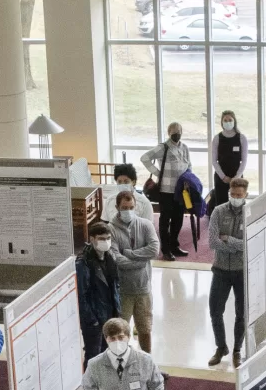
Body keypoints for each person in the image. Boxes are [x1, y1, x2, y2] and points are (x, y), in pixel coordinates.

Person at [81, 318, 166, 390]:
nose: (117, 342)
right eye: (112, 338)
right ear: (106, 339)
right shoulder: (94, 365)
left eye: (121, 337)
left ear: (128, 337)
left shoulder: (146, 361)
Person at [109, 189, 160, 354]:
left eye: (131, 207)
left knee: (145, 328)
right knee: (121, 332)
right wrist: (141, 261)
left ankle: (148, 361)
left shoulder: (145, 225)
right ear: (117, 207)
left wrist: (131, 254)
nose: (128, 211)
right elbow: (116, 259)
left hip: (143, 289)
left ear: (135, 206)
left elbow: (154, 250)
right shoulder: (111, 229)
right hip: (123, 291)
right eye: (124, 207)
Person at [207, 178, 249, 366]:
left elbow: (250, 244)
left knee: (241, 313)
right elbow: (213, 242)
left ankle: (237, 350)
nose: (235, 198)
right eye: (232, 195)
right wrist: (237, 245)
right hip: (221, 270)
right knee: (215, 310)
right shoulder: (218, 211)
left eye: (239, 195)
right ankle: (221, 346)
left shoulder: (251, 213)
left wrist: (229, 240)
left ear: (246, 195)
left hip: (242, 271)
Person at [140, 123, 192, 258]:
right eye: (174, 132)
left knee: (178, 219)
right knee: (165, 220)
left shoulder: (184, 147)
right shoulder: (163, 147)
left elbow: (189, 165)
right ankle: (166, 249)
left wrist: (189, 178)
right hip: (166, 190)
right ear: (169, 133)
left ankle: (175, 246)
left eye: (179, 131)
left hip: (180, 190)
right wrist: (158, 173)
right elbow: (144, 158)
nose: (177, 134)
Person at [75, 222, 123, 364]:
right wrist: (92, 320)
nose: (106, 242)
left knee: (108, 352)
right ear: (92, 239)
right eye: (101, 238)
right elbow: (81, 296)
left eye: (108, 238)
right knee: (93, 356)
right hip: (95, 318)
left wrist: (117, 311)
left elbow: (115, 284)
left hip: (110, 314)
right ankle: (90, 385)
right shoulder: (83, 262)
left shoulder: (110, 256)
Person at [209, 110, 247, 207]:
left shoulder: (241, 138)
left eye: (230, 120)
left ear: (234, 121)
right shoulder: (217, 138)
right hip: (221, 176)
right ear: (222, 123)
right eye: (225, 120)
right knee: (221, 205)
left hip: (237, 175)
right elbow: (214, 161)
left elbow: (244, 160)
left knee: (238, 204)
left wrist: (236, 177)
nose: (228, 122)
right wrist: (223, 177)